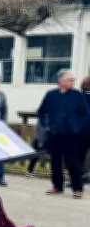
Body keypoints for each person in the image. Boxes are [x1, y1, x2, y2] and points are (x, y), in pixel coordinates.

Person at [37, 69, 89, 198]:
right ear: (61, 81)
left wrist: (78, 127)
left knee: (73, 161)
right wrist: (46, 126)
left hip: (71, 134)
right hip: (55, 133)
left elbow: (85, 114)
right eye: (70, 80)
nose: (73, 82)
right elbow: (41, 112)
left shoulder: (77, 95)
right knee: (55, 161)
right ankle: (57, 186)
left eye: (73, 80)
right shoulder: (51, 95)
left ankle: (77, 188)